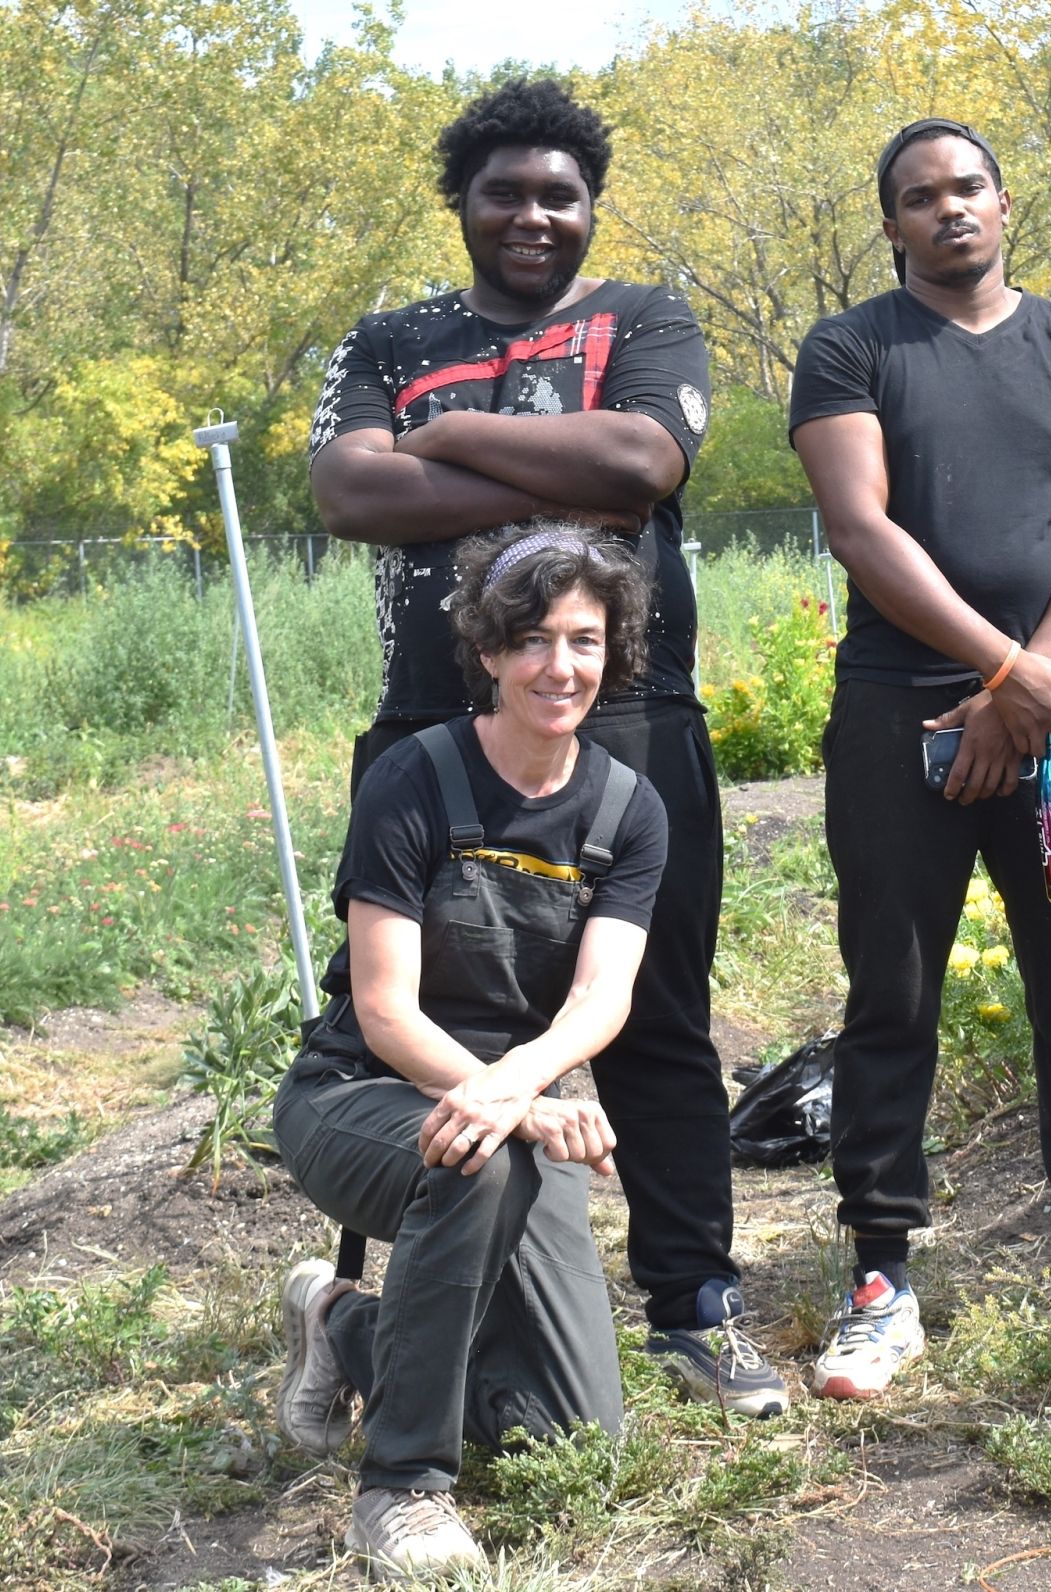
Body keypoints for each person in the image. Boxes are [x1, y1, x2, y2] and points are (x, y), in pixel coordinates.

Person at [306, 79, 785, 1414]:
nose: (533, 215)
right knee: (401, 1017)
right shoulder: (392, 334)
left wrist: (449, 440)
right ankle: (375, 1312)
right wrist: (557, 469)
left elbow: (640, 461)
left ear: (592, 210)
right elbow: (350, 489)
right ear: (460, 201)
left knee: (659, 1020)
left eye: (559, 195)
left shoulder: (643, 318)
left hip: (628, 716)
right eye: (505, 191)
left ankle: (697, 1304)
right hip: (430, 724)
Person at [789, 117, 1051, 1401]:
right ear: (894, 224)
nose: (949, 210)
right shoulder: (852, 347)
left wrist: (1035, 687)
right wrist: (1001, 670)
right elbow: (860, 528)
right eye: (920, 197)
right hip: (894, 726)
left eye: (968, 186)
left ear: (1006, 198)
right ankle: (880, 1275)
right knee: (892, 993)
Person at [272, 526, 662, 1580]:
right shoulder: (414, 777)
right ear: (488, 650)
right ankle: (401, 1488)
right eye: (532, 639)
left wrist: (519, 1086)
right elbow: (385, 1007)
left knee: (569, 1432)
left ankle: (342, 1322)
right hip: (360, 1092)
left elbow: (600, 995)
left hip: (507, 1108)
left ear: (613, 649)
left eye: (585, 639)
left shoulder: (629, 809)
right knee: (480, 1157)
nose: (560, 666)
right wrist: (522, 1105)